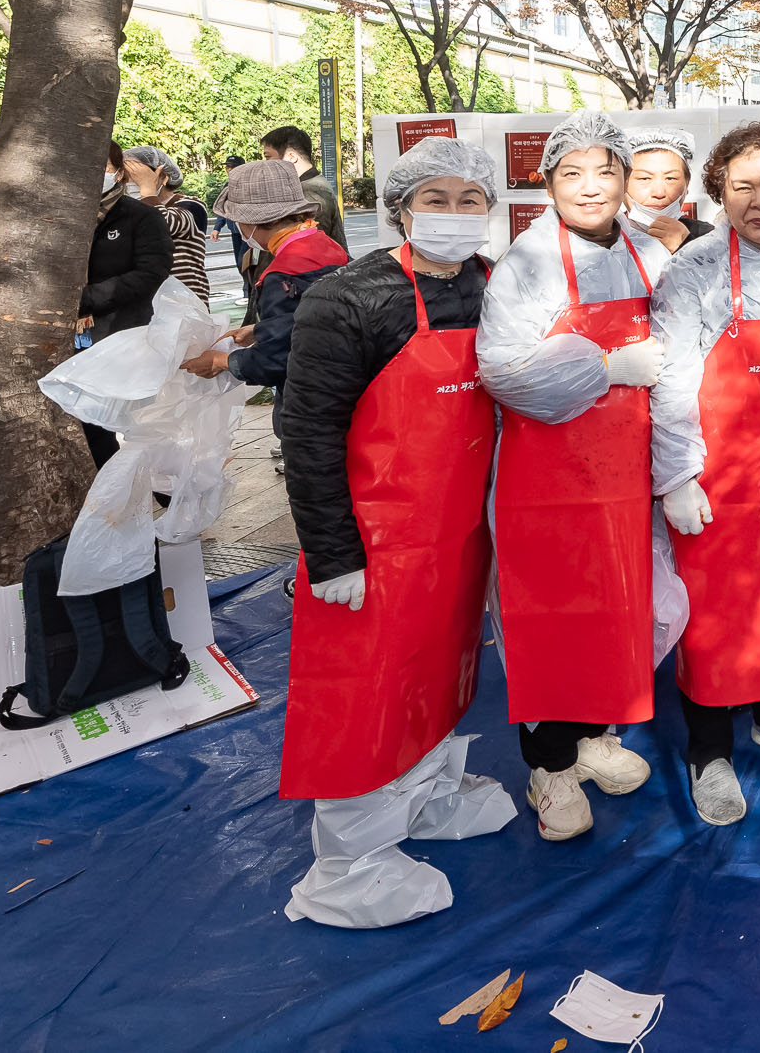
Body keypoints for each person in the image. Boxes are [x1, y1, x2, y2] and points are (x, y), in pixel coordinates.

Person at [272, 135, 514, 927]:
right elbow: (308, 431)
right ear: (401, 208)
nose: (452, 214)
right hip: (373, 543)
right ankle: (350, 864)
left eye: (469, 199)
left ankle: (430, 793)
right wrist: (332, 552)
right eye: (433, 200)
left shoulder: (499, 288)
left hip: (458, 538)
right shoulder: (348, 297)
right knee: (366, 696)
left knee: (440, 675)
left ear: (491, 208)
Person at [476, 111, 672, 840]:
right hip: (548, 480)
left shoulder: (646, 250)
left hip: (627, 469)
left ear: (626, 179)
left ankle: (594, 736)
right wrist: (604, 366)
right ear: (547, 181)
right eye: (571, 173)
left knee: (618, 610)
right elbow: (504, 372)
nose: (591, 187)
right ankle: (549, 765)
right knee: (553, 622)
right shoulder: (527, 262)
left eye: (605, 171)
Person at [650, 123, 760, 824]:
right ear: (719, 189)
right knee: (718, 618)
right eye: (742, 185)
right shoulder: (691, 273)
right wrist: (676, 477)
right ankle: (709, 751)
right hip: (718, 477)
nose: (759, 201)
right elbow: (670, 384)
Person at [185, 163, 350, 417]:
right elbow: (315, 320)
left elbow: (279, 358)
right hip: (345, 386)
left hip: (312, 404)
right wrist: (260, 329)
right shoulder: (325, 244)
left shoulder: (284, 272)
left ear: (251, 221)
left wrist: (222, 361)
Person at [79, 142, 174, 468]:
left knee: (142, 425)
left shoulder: (140, 218)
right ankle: (113, 499)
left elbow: (152, 272)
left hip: (127, 334)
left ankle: (165, 493)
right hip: (79, 341)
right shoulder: (62, 221)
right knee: (91, 425)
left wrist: (86, 298)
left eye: (101, 165)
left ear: (118, 172)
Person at [122, 146, 213, 306]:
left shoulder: (192, 205)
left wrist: (147, 190)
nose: (130, 183)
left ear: (162, 176)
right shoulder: (133, 211)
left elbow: (160, 227)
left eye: (137, 177)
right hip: (146, 304)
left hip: (185, 304)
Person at [624, 128, 715, 255]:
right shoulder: (604, 239)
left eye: (670, 178)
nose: (659, 192)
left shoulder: (709, 237)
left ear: (686, 184)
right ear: (622, 183)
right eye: (645, 178)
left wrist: (686, 246)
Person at [261, 126, 349, 252]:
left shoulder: (312, 193)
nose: (265, 164)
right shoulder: (305, 187)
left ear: (291, 157)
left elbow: (305, 249)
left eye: (268, 157)